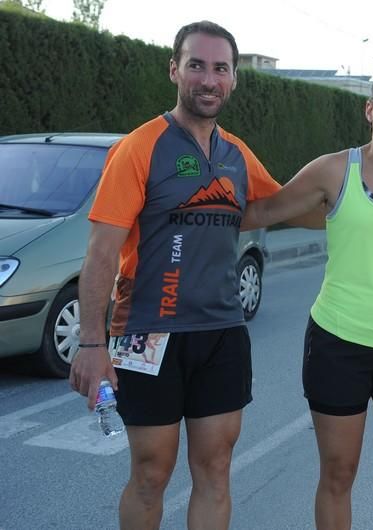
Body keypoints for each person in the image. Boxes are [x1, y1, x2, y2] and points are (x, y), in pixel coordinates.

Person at [69, 21, 282, 530]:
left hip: (221, 334)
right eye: (196, 65)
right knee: (151, 471)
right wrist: (93, 345)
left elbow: (282, 203)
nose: (209, 80)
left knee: (215, 468)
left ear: (233, 79)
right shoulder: (140, 147)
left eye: (221, 69)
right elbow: (100, 254)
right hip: (147, 330)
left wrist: (365, 188)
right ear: (174, 70)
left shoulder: (235, 153)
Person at [243, 68, 373, 530]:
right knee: (338, 472)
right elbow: (266, 211)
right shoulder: (334, 169)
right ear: (370, 109)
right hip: (338, 342)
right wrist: (189, 213)